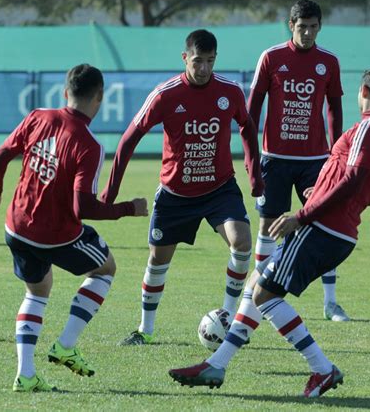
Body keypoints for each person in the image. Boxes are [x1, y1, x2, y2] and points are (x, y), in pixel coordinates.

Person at [169, 64, 370, 398]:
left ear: (363, 92)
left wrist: (306, 212)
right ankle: (217, 365)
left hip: (322, 228)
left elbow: (352, 180)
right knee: (255, 284)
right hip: (339, 230)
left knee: (265, 296)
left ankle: (322, 369)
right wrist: (323, 191)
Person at [0, 64, 148, 392]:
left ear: (65, 92)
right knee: (105, 269)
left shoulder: (38, 115)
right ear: (99, 97)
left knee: (37, 293)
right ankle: (66, 345)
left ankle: (26, 375)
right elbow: (82, 208)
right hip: (55, 235)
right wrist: (129, 209)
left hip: (17, 227)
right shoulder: (89, 145)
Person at [100, 29, 263, 346]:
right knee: (158, 261)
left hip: (220, 190)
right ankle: (145, 330)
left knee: (242, 243)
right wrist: (110, 191)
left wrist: (254, 173)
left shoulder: (229, 91)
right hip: (175, 195)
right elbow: (128, 140)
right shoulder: (166, 94)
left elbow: (247, 125)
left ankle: (227, 320)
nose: (203, 69)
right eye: (198, 61)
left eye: (210, 61)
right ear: (185, 57)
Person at [249, 0, 348, 321]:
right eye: (301, 26)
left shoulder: (328, 62)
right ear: (291, 26)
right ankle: (257, 295)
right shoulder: (271, 57)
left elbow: (334, 108)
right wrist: (252, 158)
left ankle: (331, 303)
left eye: (313, 27)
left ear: (320, 27)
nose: (307, 33)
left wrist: (337, 151)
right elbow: (252, 110)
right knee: (267, 225)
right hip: (275, 159)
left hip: (315, 160)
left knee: (322, 222)